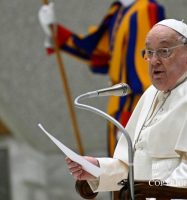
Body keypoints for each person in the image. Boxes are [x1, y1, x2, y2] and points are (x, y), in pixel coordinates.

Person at [66, 19, 187, 199]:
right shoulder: (151, 94)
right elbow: (134, 164)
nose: (154, 60)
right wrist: (98, 169)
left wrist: (156, 196)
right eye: (149, 52)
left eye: (164, 51)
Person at [38, 0, 165, 156]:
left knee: (129, 171)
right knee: (116, 168)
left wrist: (134, 119)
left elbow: (144, 72)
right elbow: (98, 54)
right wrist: (55, 31)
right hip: (118, 103)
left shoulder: (144, 9)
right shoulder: (119, 11)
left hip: (132, 107)